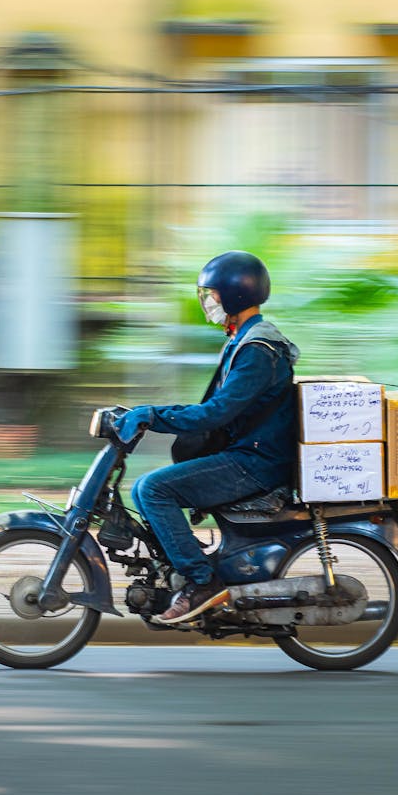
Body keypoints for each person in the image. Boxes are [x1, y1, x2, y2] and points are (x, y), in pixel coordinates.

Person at [113, 251, 300, 625]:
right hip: (249, 453)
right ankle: (186, 563)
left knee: (152, 489)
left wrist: (152, 415)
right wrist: (155, 413)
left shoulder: (257, 351)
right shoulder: (245, 339)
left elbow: (216, 413)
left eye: (211, 295)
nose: (207, 303)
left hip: (255, 463)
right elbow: (217, 407)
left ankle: (202, 581)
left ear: (236, 295)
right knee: (144, 489)